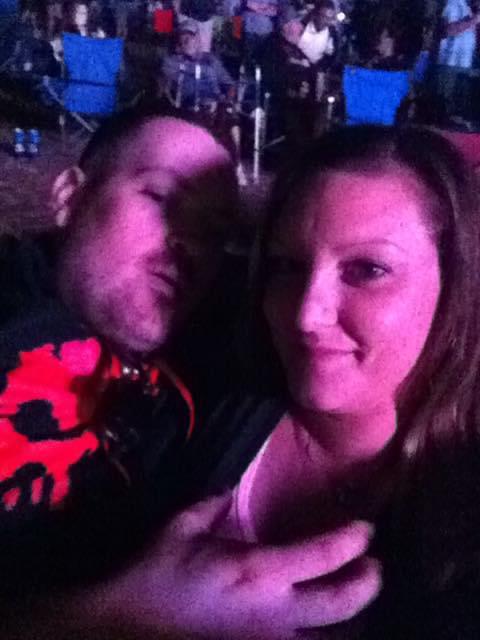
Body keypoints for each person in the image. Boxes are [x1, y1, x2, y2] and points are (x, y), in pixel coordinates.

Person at [0, 112, 380, 640]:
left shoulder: (216, 344)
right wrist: (113, 618)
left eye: (214, 232)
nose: (188, 243)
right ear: (69, 196)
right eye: (160, 197)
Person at [181, 125, 480, 638]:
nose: (306, 315)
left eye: (367, 269)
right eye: (287, 266)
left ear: (455, 286)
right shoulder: (202, 401)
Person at [436, 0, 480, 122]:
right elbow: (449, 30)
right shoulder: (454, 3)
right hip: (449, 65)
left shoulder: (469, 8)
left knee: (457, 106)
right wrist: (474, 20)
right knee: (443, 104)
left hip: (463, 67)